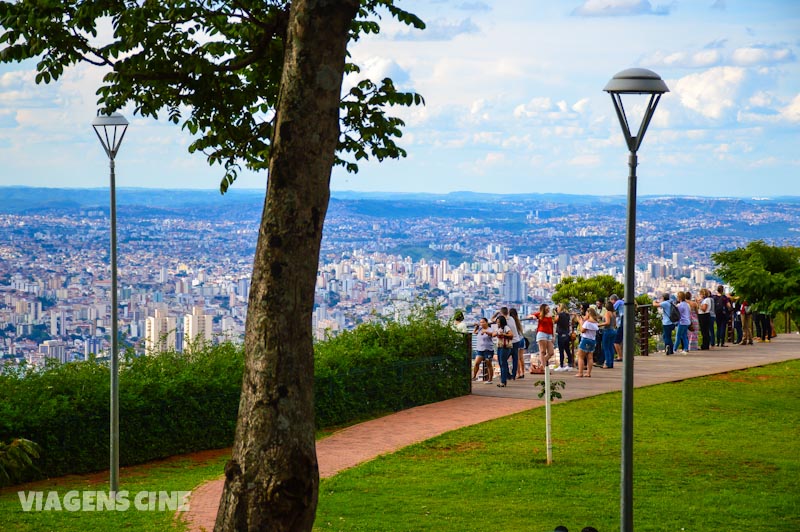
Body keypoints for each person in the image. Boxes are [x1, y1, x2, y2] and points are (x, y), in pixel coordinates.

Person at [528, 304, 556, 373]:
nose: (548, 310)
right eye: (547, 309)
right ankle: (543, 367)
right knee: (542, 351)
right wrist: (533, 316)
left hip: (549, 334)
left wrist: (553, 336)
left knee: (551, 352)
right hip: (542, 333)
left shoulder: (550, 316)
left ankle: (541, 364)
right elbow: (530, 315)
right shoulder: (540, 314)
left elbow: (552, 326)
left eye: (548, 308)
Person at [574, 307, 599, 378]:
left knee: (580, 357)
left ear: (589, 313)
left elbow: (582, 330)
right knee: (590, 357)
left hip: (585, 339)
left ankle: (580, 372)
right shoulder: (595, 323)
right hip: (593, 340)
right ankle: (588, 373)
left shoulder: (587, 323)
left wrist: (580, 322)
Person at [492, 315, 514, 387]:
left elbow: (511, 334)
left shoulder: (506, 328)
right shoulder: (498, 328)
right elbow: (493, 334)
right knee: (501, 363)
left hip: (505, 347)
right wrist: (497, 333)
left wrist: (503, 334)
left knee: (503, 363)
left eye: (498, 322)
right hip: (499, 346)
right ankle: (505, 377)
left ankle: (503, 381)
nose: (497, 323)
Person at [471, 318, 494, 384]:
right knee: (476, 363)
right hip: (480, 349)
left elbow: (493, 334)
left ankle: (490, 379)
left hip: (488, 349)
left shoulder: (490, 329)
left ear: (486, 322)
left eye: (483, 322)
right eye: (480, 322)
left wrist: (486, 332)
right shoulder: (480, 329)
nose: (481, 324)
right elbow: (475, 332)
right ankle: (474, 376)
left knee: (488, 364)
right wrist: (476, 327)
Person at [554, 303, 574, 371]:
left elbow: (555, 321)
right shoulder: (567, 315)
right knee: (567, 349)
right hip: (566, 333)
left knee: (561, 350)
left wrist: (556, 314)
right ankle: (570, 364)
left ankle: (561, 365)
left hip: (560, 333)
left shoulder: (559, 315)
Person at [509, 308, 526, 379]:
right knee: (521, 358)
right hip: (522, 339)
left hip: (516, 340)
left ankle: (518, 373)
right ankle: (522, 372)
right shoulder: (518, 321)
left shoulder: (510, 322)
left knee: (516, 358)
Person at [600, 301, 616, 368]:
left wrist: (599, 324)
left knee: (606, 347)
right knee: (610, 347)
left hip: (607, 330)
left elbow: (607, 322)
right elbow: (614, 324)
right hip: (613, 330)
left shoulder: (607, 313)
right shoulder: (613, 314)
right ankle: (611, 362)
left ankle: (607, 363)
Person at [610, 294, 624, 361]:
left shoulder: (618, 302)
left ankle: (620, 356)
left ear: (613, 300)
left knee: (616, 341)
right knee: (621, 340)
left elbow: (611, 309)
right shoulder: (622, 303)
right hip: (624, 321)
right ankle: (624, 356)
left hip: (622, 321)